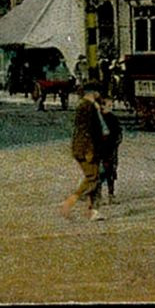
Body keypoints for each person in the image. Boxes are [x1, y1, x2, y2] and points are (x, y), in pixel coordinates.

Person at [59, 82, 110, 221]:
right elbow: (85, 131)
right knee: (92, 177)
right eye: (99, 92)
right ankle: (69, 202)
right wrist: (89, 150)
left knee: (96, 179)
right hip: (86, 149)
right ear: (94, 92)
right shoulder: (86, 106)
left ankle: (93, 210)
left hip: (88, 148)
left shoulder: (90, 106)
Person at [97, 95, 123, 201]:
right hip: (101, 148)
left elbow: (119, 132)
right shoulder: (98, 118)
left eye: (111, 105)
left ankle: (110, 193)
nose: (111, 107)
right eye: (109, 105)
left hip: (110, 148)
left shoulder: (113, 118)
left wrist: (117, 142)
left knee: (110, 171)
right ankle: (99, 194)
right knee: (102, 172)